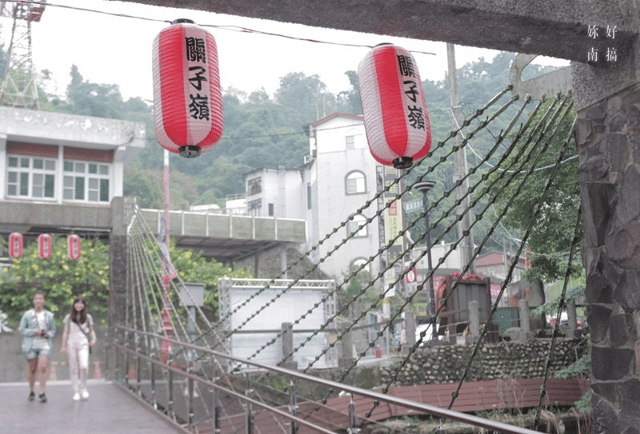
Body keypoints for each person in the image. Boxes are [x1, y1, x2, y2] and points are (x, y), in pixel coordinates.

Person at [19, 291, 56, 403]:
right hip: (30, 345)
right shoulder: (27, 314)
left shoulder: (49, 315)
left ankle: (42, 392)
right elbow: (21, 329)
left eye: (41, 299)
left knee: (43, 368)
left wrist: (47, 334)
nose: (39, 301)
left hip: (44, 345)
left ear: (44, 301)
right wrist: (34, 331)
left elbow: (53, 330)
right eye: (36, 298)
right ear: (33, 301)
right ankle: (32, 391)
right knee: (32, 369)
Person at [60, 296, 97, 401]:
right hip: (71, 343)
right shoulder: (68, 317)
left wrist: (93, 339)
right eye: (77, 303)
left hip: (83, 343)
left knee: (84, 366)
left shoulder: (88, 317)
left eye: (81, 303)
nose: (79, 305)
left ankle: (83, 388)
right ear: (74, 304)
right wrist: (63, 345)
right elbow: (65, 332)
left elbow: (91, 330)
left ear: (84, 305)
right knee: (73, 368)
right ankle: (75, 390)